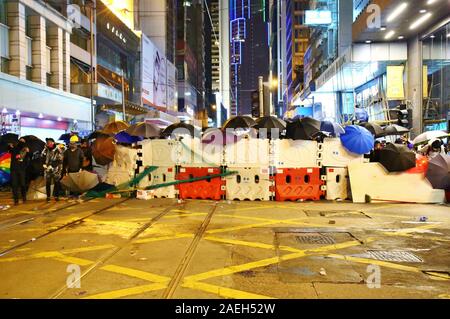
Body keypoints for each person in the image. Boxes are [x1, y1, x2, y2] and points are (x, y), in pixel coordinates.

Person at [42, 138, 65, 202]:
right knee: (48, 183)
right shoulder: (46, 149)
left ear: (53, 142)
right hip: (47, 169)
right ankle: (48, 197)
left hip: (56, 169)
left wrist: (52, 165)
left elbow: (60, 160)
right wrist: (43, 163)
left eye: (49, 142)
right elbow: (42, 156)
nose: (48, 143)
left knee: (56, 183)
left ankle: (56, 196)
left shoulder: (58, 149)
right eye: (47, 142)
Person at [9, 138, 30, 205]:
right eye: (20, 140)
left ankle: (24, 197)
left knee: (23, 184)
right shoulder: (14, 148)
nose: (21, 142)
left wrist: (28, 152)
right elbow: (9, 149)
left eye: (23, 141)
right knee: (14, 185)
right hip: (14, 169)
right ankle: (16, 200)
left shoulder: (25, 150)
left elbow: (29, 157)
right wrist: (10, 146)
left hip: (22, 170)